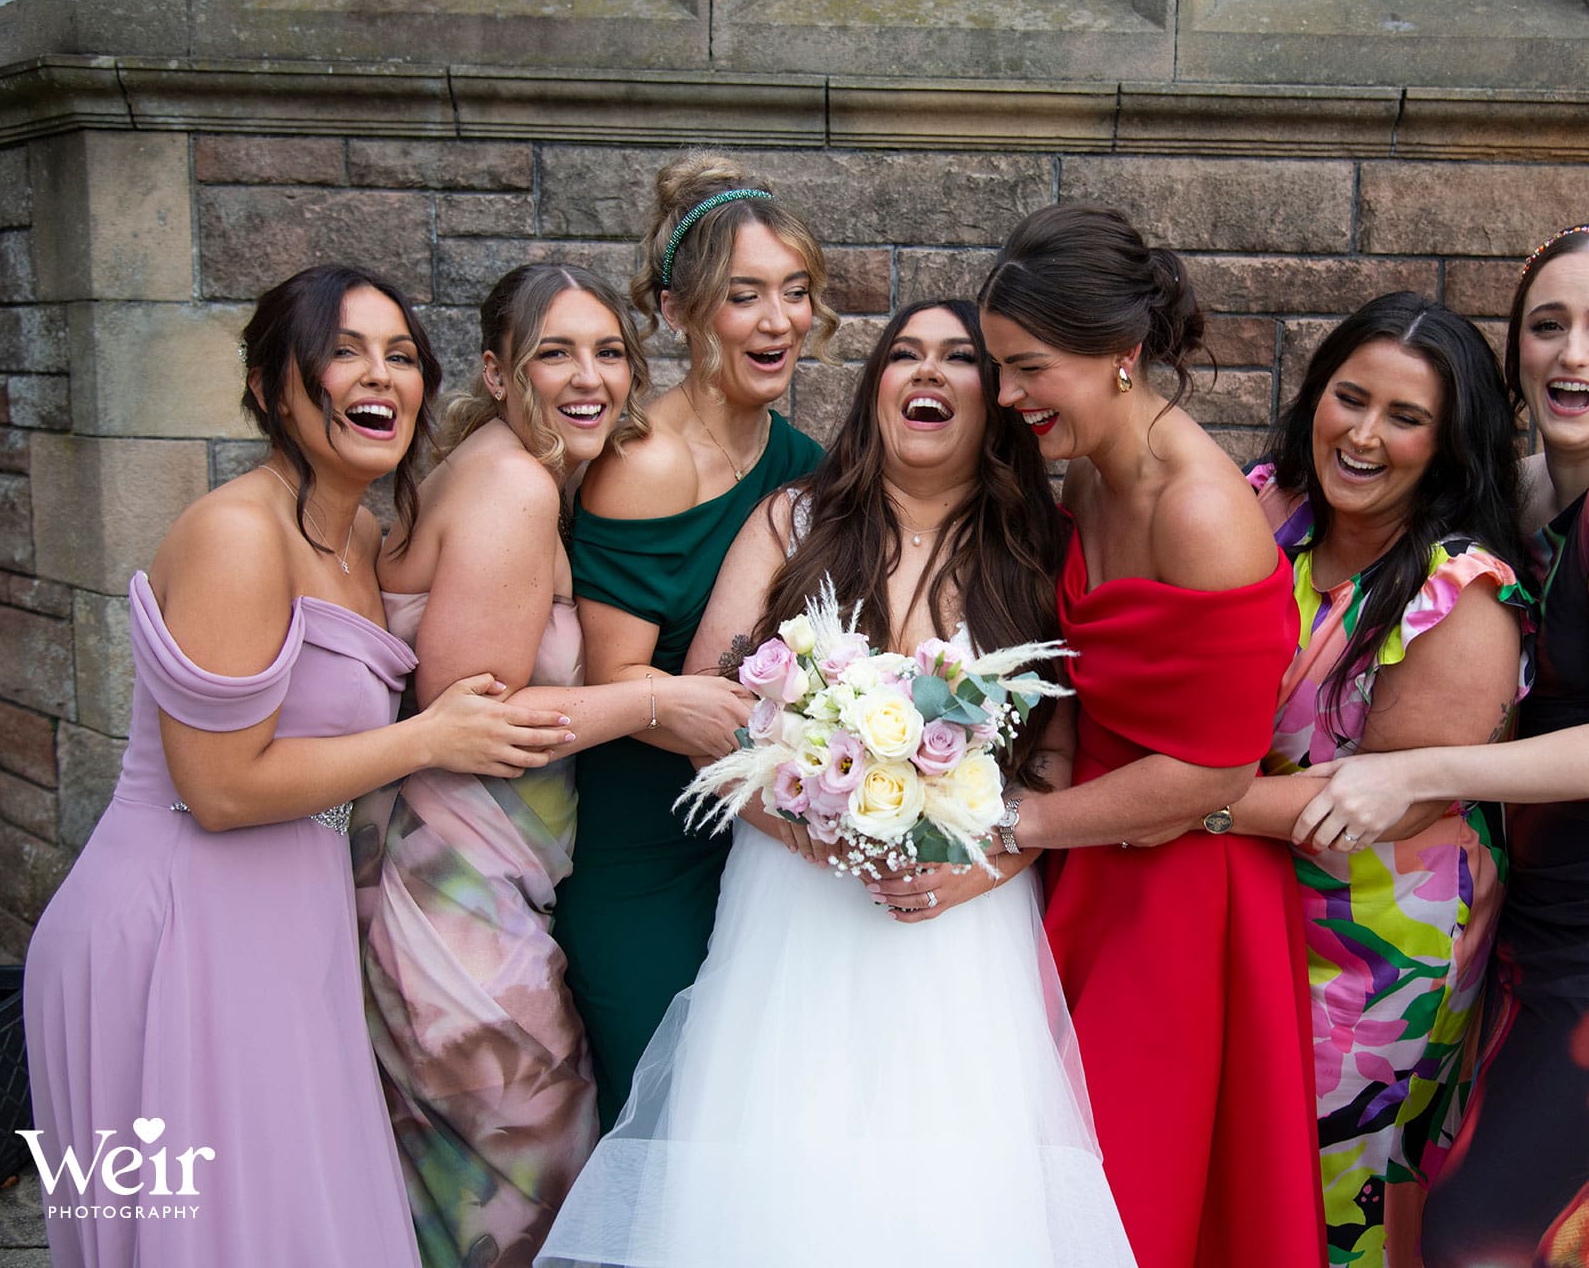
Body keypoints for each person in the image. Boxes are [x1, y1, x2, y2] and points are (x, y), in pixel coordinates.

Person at [537, 299, 1134, 1268]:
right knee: (778, 1167)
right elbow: (718, 718)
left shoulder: (1039, 545)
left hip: (961, 918)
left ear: (995, 396)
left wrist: (972, 872)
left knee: (951, 1185)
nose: (926, 372)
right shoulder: (796, 518)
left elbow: (1052, 762)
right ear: (874, 387)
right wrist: (809, 828)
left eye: (957, 358)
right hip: (794, 904)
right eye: (904, 354)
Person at [21, 265, 571, 1268]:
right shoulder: (237, 533)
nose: (381, 375)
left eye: (401, 355)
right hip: (177, 930)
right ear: (270, 387)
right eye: (344, 352)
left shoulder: (360, 532)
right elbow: (220, 788)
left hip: (291, 923)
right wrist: (428, 737)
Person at [1295, 224, 1589, 1268]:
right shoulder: (1528, 481)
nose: (1571, 352)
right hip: (1540, 901)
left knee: (1475, 1230)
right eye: (1547, 325)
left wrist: (1411, 770)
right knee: (1570, 1218)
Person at [350, 264, 757, 1267]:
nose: (590, 377)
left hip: (477, 883)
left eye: (609, 352)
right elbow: (474, 719)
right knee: (526, 1184)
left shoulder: (514, 471)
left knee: (481, 1185)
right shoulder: (514, 485)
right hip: (450, 895)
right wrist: (660, 698)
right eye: (554, 353)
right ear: (497, 371)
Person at [976, 205, 1326, 1268]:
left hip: (1185, 890)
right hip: (1095, 848)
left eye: (1028, 367)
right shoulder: (1088, 467)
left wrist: (1024, 821)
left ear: (1120, 353)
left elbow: (1217, 767)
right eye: (1000, 367)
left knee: (1134, 1183)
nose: (1006, 396)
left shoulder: (1201, 514)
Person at [1238, 292, 1530, 1265]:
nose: (1363, 435)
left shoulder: (1460, 593)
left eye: (1405, 417)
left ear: (1448, 447)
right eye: (1350, 398)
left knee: (1337, 1195)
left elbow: (1382, 801)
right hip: (1251, 892)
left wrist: (1167, 805)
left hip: (1378, 943)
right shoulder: (1267, 509)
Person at [556, 153, 834, 1126]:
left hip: (758, 857)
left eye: (795, 291)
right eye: (744, 295)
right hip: (642, 854)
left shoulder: (805, 464)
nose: (779, 320)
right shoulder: (647, 463)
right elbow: (616, 681)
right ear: (677, 311)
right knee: (660, 1125)